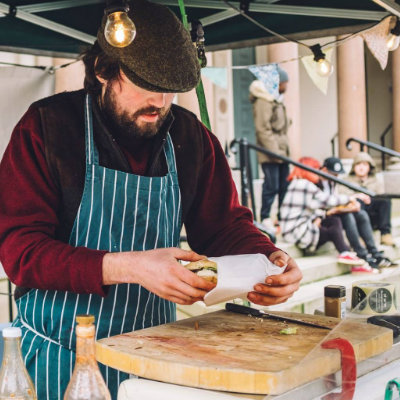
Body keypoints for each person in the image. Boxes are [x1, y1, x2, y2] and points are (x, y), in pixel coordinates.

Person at [0, 1, 302, 399]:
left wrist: (268, 260)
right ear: (104, 70)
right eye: (146, 83)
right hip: (60, 355)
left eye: (170, 90)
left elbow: (225, 227)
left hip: (154, 355)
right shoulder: (48, 128)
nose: (159, 103)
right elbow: (20, 251)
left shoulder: (191, 138)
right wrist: (131, 267)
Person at [280, 157, 368, 270]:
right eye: (316, 169)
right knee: (334, 223)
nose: (318, 172)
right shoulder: (305, 185)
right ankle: (346, 252)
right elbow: (328, 201)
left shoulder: (296, 183)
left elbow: (313, 206)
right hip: (296, 232)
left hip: (291, 230)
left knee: (332, 221)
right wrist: (351, 197)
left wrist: (320, 216)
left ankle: (346, 252)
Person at [321, 157, 392, 269]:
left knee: (361, 214)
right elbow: (324, 204)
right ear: (324, 170)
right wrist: (352, 199)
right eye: (332, 173)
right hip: (323, 216)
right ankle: (361, 254)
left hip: (335, 211)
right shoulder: (317, 183)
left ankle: (374, 252)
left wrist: (349, 204)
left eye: (336, 174)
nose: (335, 177)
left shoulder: (333, 183)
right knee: (348, 215)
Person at [249, 66, 290, 233]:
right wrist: (275, 152)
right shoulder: (263, 100)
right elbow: (262, 128)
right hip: (271, 151)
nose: (287, 86)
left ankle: (282, 217)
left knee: (284, 185)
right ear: (276, 83)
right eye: (284, 83)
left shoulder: (276, 99)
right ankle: (265, 216)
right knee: (271, 185)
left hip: (282, 150)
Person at [345, 152, 394, 246]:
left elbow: (380, 194)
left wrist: (370, 198)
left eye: (364, 164)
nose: (361, 167)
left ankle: (385, 234)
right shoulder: (347, 180)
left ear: (369, 167)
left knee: (385, 200)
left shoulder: (375, 180)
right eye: (358, 164)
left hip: (373, 214)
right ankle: (361, 236)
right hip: (357, 214)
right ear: (353, 166)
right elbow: (342, 194)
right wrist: (358, 196)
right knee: (357, 202)